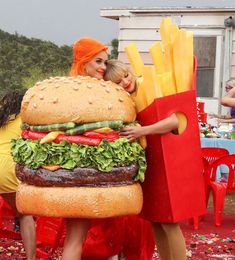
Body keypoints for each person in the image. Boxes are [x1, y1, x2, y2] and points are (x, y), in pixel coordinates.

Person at [68, 38, 155, 260]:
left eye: (105, 62)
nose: (102, 67)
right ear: (84, 61)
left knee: (87, 236)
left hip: (91, 175)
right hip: (87, 176)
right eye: (98, 61)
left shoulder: (92, 89)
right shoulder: (85, 92)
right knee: (79, 239)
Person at [104, 59, 187, 260]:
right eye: (118, 81)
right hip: (149, 165)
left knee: (169, 222)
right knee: (155, 220)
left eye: (125, 75)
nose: (125, 81)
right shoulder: (126, 100)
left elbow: (178, 119)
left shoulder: (151, 86)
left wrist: (142, 130)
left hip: (167, 161)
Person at [0, 90, 36, 260]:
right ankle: (31, 258)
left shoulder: (2, 119)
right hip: (6, 170)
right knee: (25, 215)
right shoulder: (25, 119)